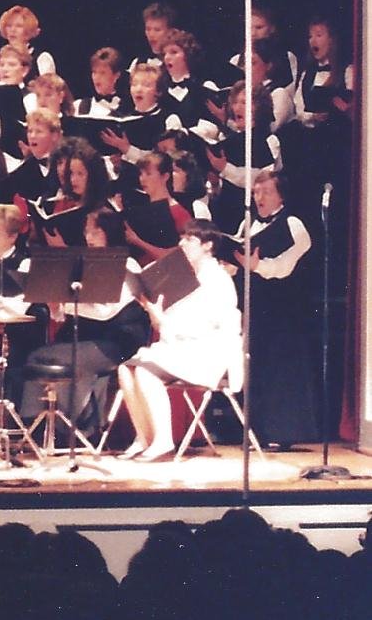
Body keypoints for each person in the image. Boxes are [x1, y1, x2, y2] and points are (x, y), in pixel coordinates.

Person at [116, 221, 242, 461]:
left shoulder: (217, 279)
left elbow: (206, 324)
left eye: (190, 240)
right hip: (179, 348)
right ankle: (144, 438)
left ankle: (163, 440)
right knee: (125, 369)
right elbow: (165, 326)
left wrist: (162, 319)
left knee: (146, 372)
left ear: (208, 246)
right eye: (182, 238)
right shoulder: (179, 275)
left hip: (207, 351)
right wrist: (153, 312)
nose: (182, 243)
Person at [20, 208, 148, 429]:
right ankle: (43, 424)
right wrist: (55, 304)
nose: (89, 237)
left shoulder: (128, 265)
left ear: (110, 232)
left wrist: (67, 304)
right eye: (87, 232)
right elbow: (64, 315)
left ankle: (55, 424)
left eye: (95, 232)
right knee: (39, 355)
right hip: (86, 339)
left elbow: (105, 312)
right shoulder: (83, 264)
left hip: (113, 342)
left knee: (46, 356)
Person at [233, 170, 316, 448]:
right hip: (256, 306)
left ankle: (283, 433)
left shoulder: (293, 223)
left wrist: (258, 267)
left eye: (266, 192)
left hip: (284, 309)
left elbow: (290, 261)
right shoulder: (248, 225)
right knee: (256, 367)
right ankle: (256, 432)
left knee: (282, 370)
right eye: (256, 192)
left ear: (281, 195)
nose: (260, 198)